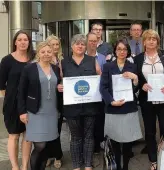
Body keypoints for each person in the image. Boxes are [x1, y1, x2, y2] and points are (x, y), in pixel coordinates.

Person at [134, 29, 164, 170]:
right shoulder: (139, 58)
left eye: (154, 39)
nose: (151, 41)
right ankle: (153, 161)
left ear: (157, 41)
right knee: (150, 131)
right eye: (148, 39)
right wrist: (142, 85)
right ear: (144, 42)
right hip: (147, 100)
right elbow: (137, 77)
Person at [57, 34, 101, 170]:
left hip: (90, 106)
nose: (80, 46)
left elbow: (100, 77)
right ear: (72, 46)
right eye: (77, 44)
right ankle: (76, 165)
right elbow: (59, 80)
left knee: (89, 136)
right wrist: (59, 86)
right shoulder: (63, 62)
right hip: (72, 107)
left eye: (82, 44)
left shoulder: (92, 60)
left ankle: (88, 164)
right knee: (75, 137)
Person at [18, 41, 62, 170]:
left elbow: (57, 87)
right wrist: (22, 112)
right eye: (43, 52)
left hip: (52, 112)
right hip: (35, 112)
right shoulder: (29, 68)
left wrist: (59, 87)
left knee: (46, 146)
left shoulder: (55, 68)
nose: (46, 54)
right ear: (38, 53)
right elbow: (21, 91)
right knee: (39, 146)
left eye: (49, 52)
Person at [100, 39, 142, 170]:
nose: (122, 52)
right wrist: (112, 101)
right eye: (119, 49)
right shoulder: (107, 66)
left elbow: (136, 89)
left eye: (124, 49)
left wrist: (135, 79)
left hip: (129, 108)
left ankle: (126, 167)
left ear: (128, 51)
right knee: (115, 141)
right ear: (115, 51)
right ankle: (117, 166)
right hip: (113, 108)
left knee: (128, 142)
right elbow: (103, 87)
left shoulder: (133, 66)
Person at [0, 30, 33, 170]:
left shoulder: (34, 58)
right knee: (14, 135)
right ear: (15, 42)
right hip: (12, 104)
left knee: (28, 136)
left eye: (25, 39)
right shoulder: (7, 60)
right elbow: (1, 85)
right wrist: (11, 98)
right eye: (19, 39)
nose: (23, 42)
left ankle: (25, 166)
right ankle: (15, 166)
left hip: (31, 103)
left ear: (29, 42)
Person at [45, 35, 64, 168]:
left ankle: (57, 156)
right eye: (52, 44)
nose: (55, 47)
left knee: (57, 129)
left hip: (59, 98)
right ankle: (46, 155)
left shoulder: (62, 60)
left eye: (57, 44)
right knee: (45, 129)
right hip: (45, 100)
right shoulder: (42, 60)